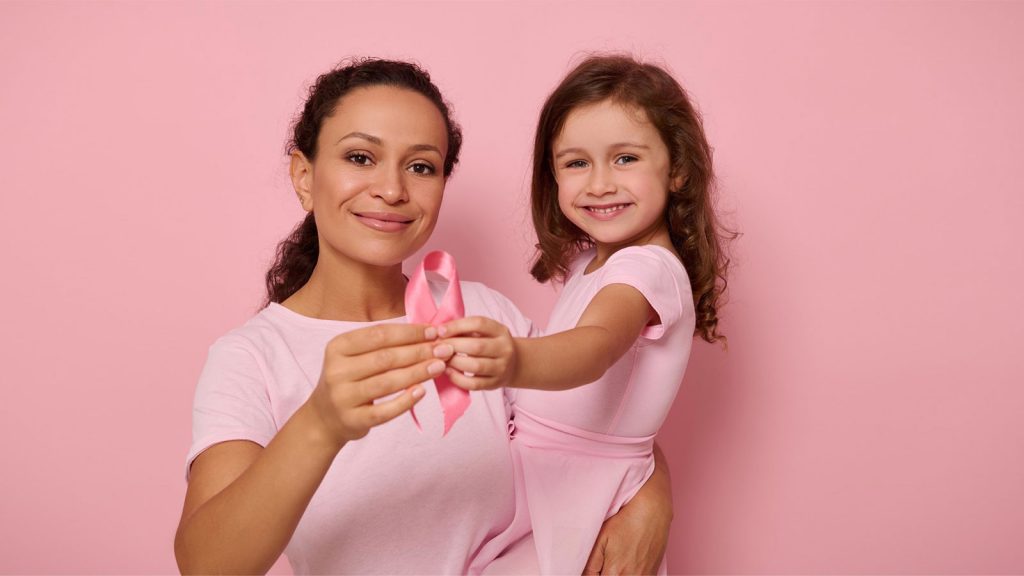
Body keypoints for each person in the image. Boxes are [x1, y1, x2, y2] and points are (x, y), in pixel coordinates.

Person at [174, 57, 673, 574]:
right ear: (304, 176)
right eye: (361, 157)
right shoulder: (252, 358)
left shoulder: (481, 314)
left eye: (420, 166)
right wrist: (320, 424)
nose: (392, 190)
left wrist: (654, 496)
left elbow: (595, 423)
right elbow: (207, 564)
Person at [437, 54, 732, 575]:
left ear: (679, 170)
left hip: (581, 493)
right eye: (576, 163)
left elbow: (595, 346)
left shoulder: (647, 269)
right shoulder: (590, 262)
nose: (598, 184)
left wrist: (513, 360)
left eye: (625, 159)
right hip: (539, 479)